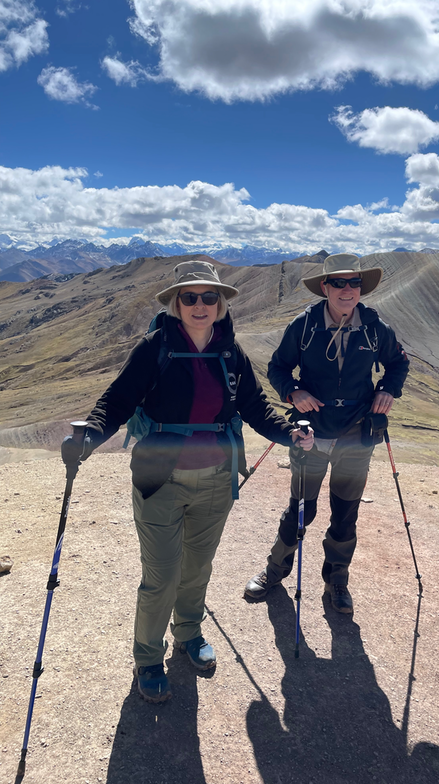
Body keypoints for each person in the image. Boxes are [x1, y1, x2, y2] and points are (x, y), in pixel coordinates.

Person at [61, 260, 313, 704]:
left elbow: (255, 408)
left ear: (221, 304)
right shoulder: (154, 347)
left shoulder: (231, 352)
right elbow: (117, 400)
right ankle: (147, 658)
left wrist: (289, 431)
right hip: (161, 479)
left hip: (217, 479)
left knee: (197, 567)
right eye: (190, 297)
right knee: (161, 575)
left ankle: (189, 633)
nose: (200, 305)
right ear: (176, 304)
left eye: (209, 296)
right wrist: (89, 436)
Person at [244, 253, 409, 613]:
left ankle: (337, 579)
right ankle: (275, 570)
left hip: (355, 433)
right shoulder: (304, 327)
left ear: (361, 288)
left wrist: (387, 390)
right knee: (300, 510)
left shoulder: (375, 327)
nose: (347, 290)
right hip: (311, 433)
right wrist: (293, 392)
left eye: (354, 283)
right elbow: (278, 368)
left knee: (345, 513)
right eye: (339, 283)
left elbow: (398, 363)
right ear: (325, 287)